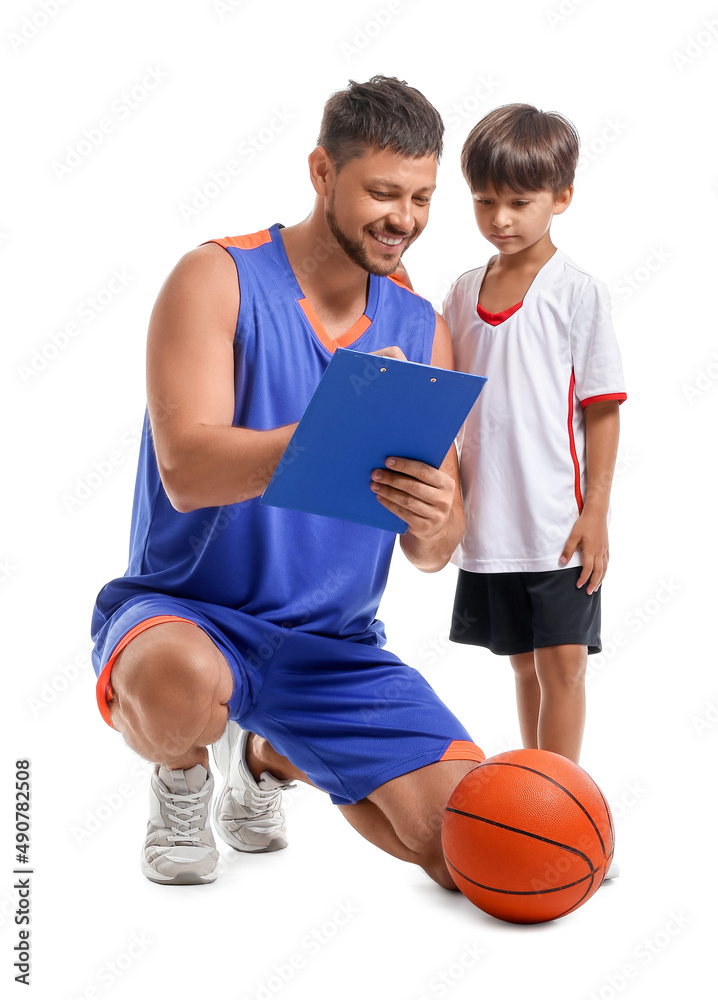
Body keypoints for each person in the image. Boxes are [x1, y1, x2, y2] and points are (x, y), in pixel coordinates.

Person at [90, 76, 486, 888]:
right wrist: (330, 436)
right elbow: (188, 471)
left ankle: (268, 751)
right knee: (180, 688)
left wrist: (440, 512)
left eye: (421, 198)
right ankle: (184, 774)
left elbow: (430, 553)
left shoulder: (422, 328)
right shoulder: (217, 278)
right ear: (321, 173)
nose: (402, 220)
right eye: (381, 191)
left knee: (465, 850)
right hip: (188, 620)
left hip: (333, 649)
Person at [445, 104, 627, 767]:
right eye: (485, 201)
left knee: (564, 669)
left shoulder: (578, 293)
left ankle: (567, 803)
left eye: (519, 202)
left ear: (562, 197)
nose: (501, 218)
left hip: (559, 530)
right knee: (523, 668)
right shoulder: (462, 294)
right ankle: (535, 799)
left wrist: (596, 512)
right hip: (491, 528)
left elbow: (602, 409)